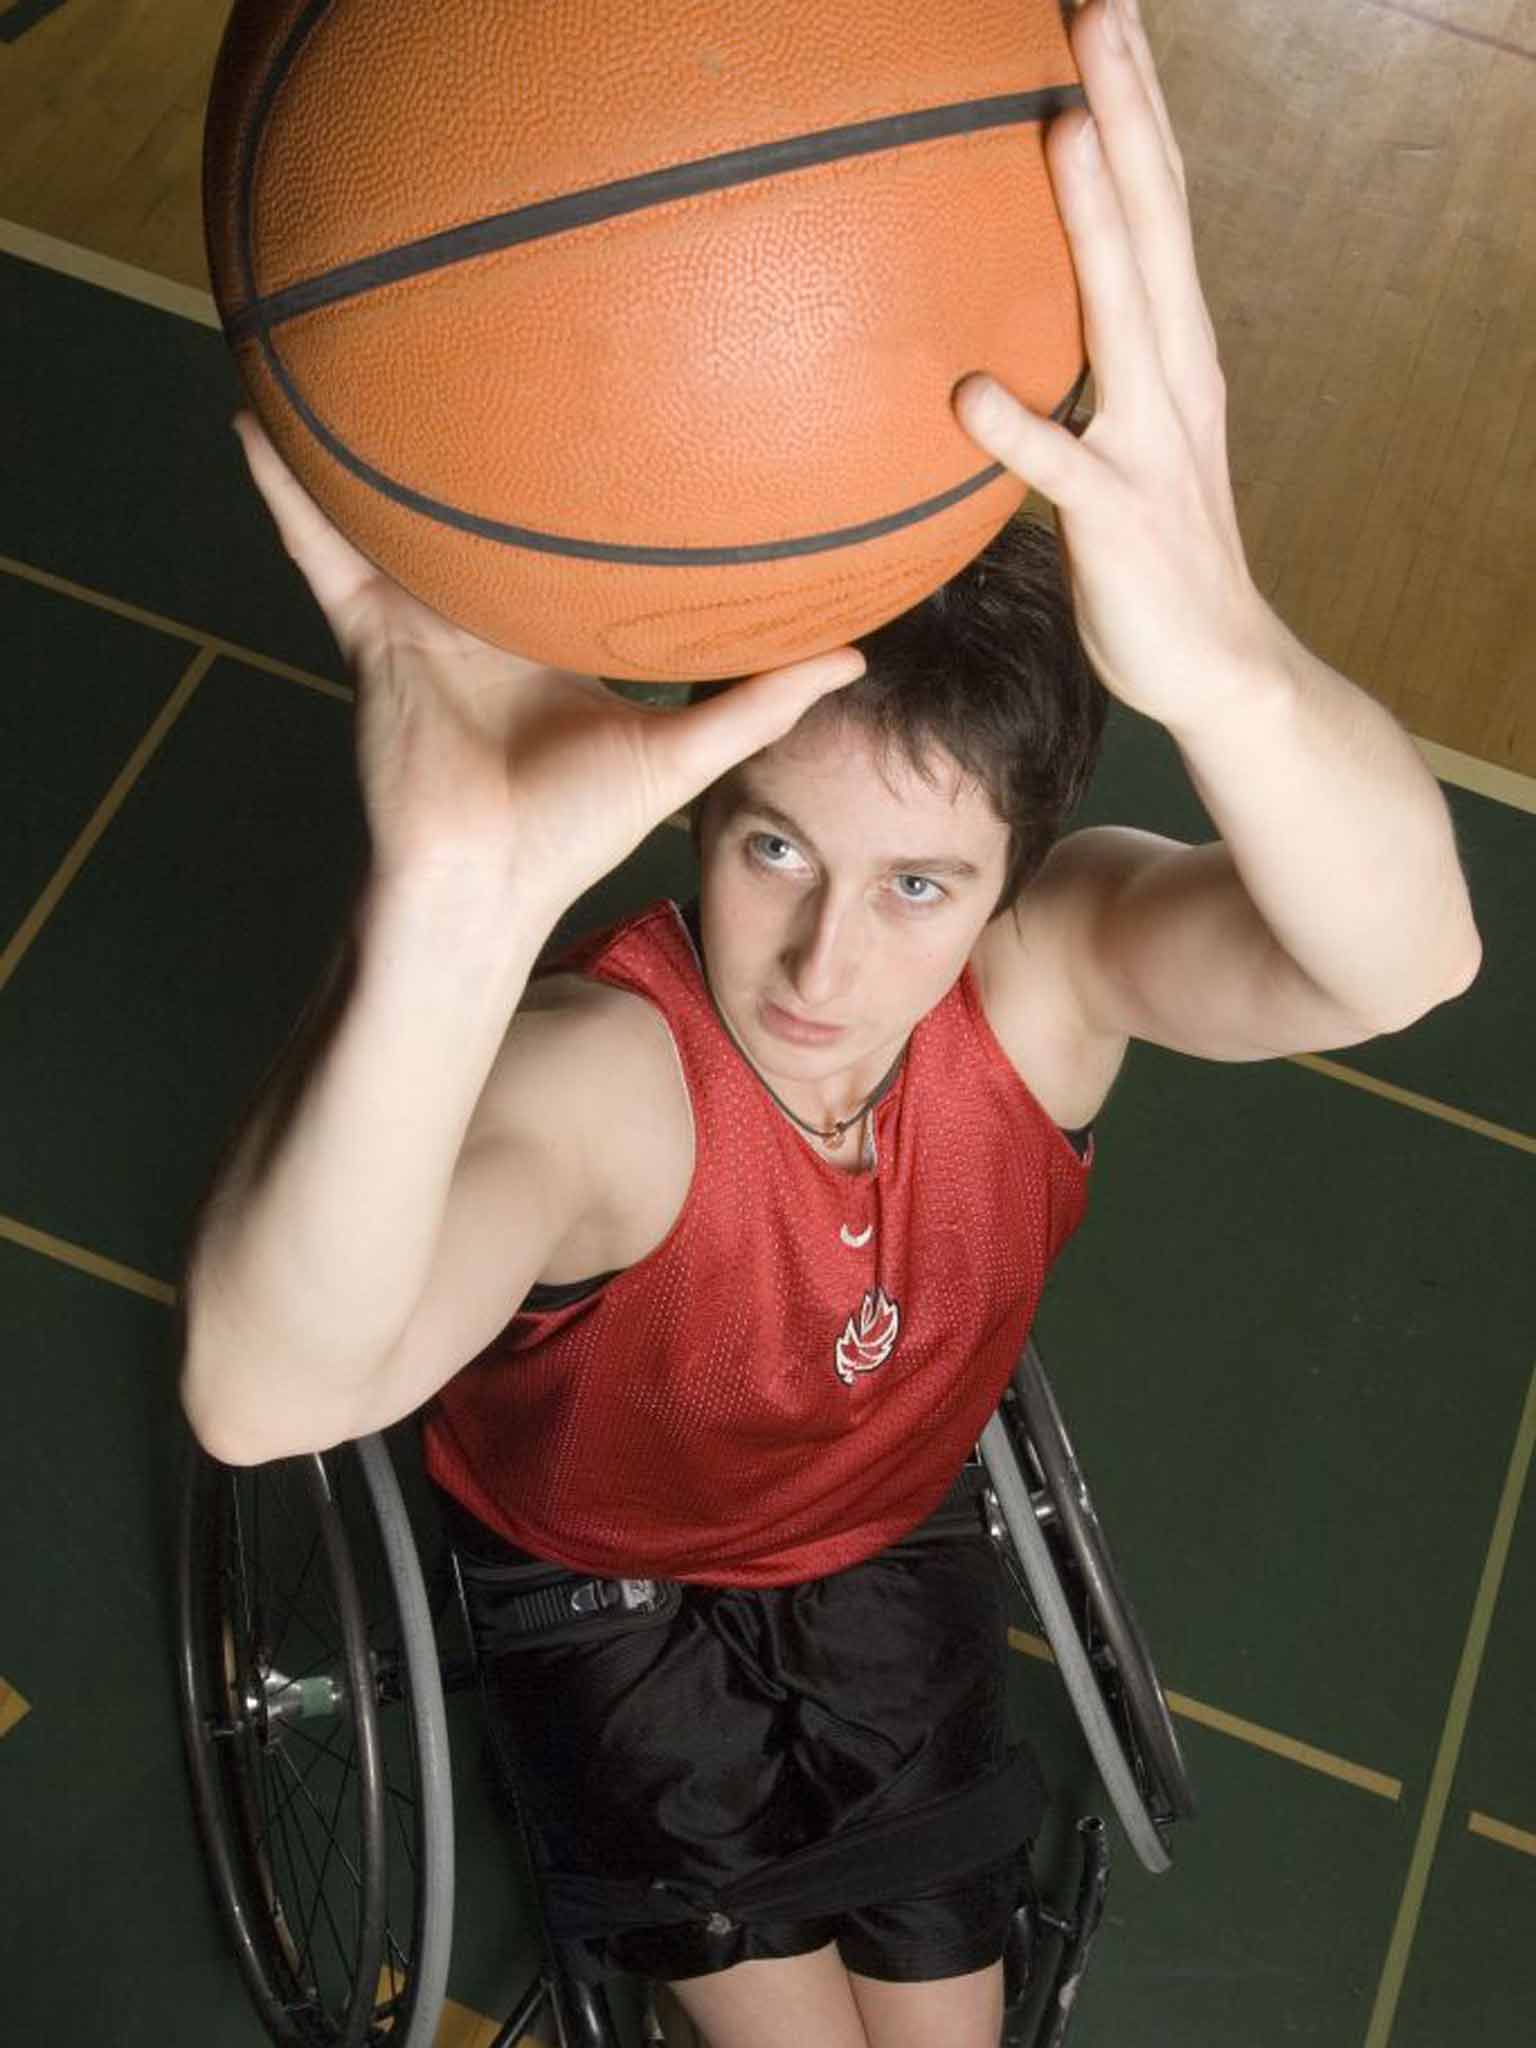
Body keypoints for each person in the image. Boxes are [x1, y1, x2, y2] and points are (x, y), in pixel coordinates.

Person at [178, 3, 1481, 2043]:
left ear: (1017, 877)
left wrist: (1229, 664)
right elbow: (264, 1395)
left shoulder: (1045, 989)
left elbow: (1402, 962)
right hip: (602, 1586)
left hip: (880, 1543)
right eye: (773, 849)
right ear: (700, 796)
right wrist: (453, 906)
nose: (817, 967)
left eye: (915, 889)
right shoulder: (613, 1086)